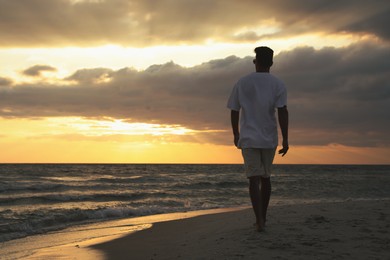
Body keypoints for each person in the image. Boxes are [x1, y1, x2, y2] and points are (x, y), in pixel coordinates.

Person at [227, 46, 289, 232]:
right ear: (271, 63)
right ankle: (263, 217)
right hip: (269, 138)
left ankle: (259, 220)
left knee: (253, 179)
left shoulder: (243, 82)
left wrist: (236, 134)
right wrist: (285, 138)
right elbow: (283, 111)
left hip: (249, 138)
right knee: (266, 178)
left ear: (256, 61)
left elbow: (234, 110)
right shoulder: (278, 84)